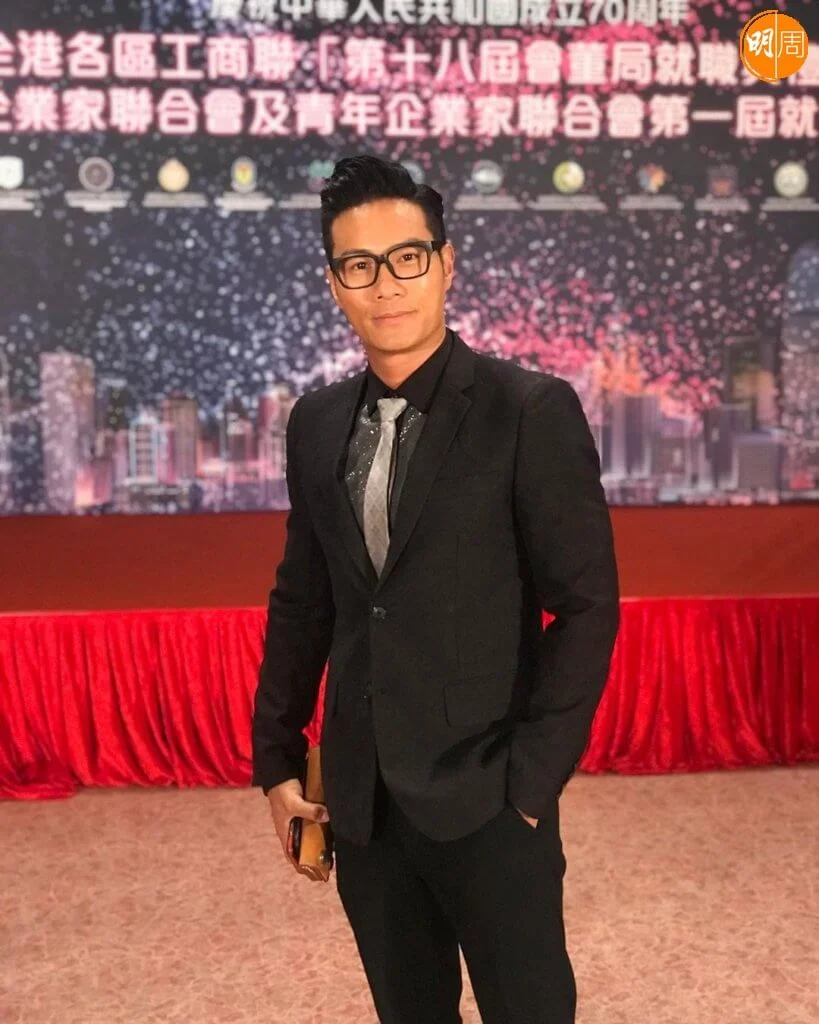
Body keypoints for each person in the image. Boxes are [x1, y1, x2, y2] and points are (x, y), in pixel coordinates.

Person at [251, 154, 620, 1024]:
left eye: (406, 258)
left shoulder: (526, 410)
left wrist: (530, 784)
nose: (385, 285)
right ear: (333, 283)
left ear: (445, 264)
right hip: (364, 803)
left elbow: (585, 606)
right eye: (358, 265)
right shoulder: (315, 423)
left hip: (489, 796)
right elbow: (304, 599)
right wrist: (276, 761)